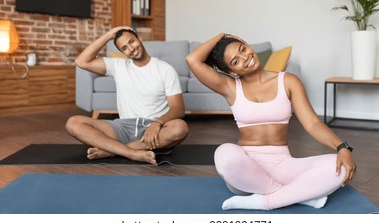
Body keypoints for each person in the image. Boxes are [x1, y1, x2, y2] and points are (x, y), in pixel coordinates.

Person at [185, 33, 356, 210]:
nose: (245, 58)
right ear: (232, 71)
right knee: (224, 153)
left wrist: (342, 147)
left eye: (243, 49)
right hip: (244, 172)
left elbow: (312, 123)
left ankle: (265, 201)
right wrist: (221, 35)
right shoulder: (230, 87)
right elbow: (192, 60)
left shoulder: (288, 81)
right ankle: (295, 196)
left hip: (283, 166)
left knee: (340, 167)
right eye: (235, 61)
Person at [66, 27, 189, 166]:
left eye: (132, 41)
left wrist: (157, 123)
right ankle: (132, 153)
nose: (131, 49)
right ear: (122, 52)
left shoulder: (165, 69)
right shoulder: (118, 65)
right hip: (122, 127)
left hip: (154, 129)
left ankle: (112, 150)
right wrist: (108, 35)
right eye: (124, 48)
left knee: (180, 128)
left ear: (139, 39)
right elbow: (81, 61)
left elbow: (178, 109)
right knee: (73, 123)